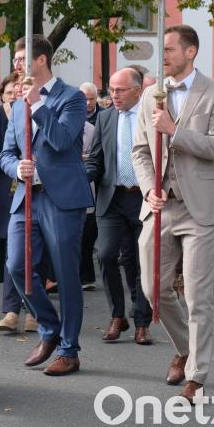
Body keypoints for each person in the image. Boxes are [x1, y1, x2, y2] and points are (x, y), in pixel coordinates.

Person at [132, 24, 214, 403]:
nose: (165, 56)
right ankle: (186, 346)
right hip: (159, 205)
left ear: (191, 52)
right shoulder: (150, 96)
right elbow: (141, 151)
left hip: (200, 209)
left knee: (197, 294)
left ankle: (197, 376)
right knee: (153, 289)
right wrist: (149, 188)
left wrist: (174, 130)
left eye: (171, 49)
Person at [0, 35, 92, 376]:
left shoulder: (72, 98)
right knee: (16, 265)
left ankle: (69, 348)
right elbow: (6, 152)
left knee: (66, 275)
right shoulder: (18, 104)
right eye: (15, 59)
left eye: (22, 58)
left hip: (62, 198)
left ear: (41, 60)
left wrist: (38, 105)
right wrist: (15, 167)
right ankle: (49, 327)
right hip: (27, 196)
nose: (17, 65)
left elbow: (63, 140)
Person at [85, 67, 154, 345]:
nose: (114, 95)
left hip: (143, 197)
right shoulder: (105, 118)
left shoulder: (150, 117)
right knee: (106, 254)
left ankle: (141, 321)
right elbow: (96, 159)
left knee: (141, 261)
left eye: (120, 90)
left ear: (137, 91)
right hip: (111, 198)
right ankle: (117, 315)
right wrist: (78, 181)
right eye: (111, 89)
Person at [0, 74, 36, 333]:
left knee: (36, 249)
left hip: (37, 183)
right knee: (12, 249)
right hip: (9, 183)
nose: (16, 92)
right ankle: (11, 310)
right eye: (11, 89)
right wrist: (12, 166)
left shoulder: (36, 108)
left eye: (21, 87)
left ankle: (34, 310)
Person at [78, 82, 103, 291]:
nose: (87, 103)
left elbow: (97, 156)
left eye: (91, 99)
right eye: (83, 99)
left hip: (90, 184)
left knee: (87, 232)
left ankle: (87, 275)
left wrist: (84, 158)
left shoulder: (94, 126)